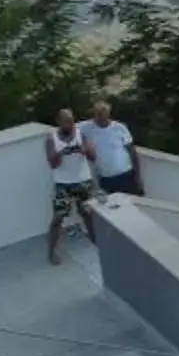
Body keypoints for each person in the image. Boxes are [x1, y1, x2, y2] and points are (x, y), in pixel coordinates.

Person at [44, 107, 101, 262]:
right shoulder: (51, 138)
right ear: (59, 122)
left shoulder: (80, 134)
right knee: (57, 218)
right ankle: (51, 253)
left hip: (83, 180)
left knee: (87, 213)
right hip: (63, 184)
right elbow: (52, 164)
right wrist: (61, 153)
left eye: (71, 120)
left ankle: (97, 242)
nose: (70, 124)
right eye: (66, 121)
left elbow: (93, 157)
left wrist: (84, 150)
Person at [83, 98, 144, 198]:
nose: (100, 116)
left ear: (108, 114)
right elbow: (71, 130)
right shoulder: (87, 127)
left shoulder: (119, 128)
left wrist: (138, 177)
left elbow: (132, 152)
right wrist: (84, 145)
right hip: (105, 178)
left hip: (126, 175)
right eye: (97, 113)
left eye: (103, 113)